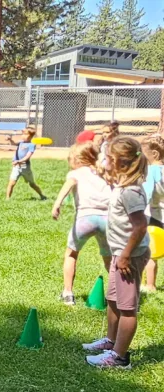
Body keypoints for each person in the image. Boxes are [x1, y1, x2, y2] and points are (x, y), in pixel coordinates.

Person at [84, 137, 149, 369]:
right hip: (120, 254)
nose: (105, 160)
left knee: (127, 308)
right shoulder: (122, 186)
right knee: (112, 300)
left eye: (108, 157)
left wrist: (125, 255)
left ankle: (120, 358)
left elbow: (140, 226)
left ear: (121, 162)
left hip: (128, 256)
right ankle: (111, 342)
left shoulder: (131, 192)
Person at [52, 141, 112, 305]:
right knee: (110, 260)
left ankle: (68, 293)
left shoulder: (76, 173)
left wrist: (57, 204)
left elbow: (68, 185)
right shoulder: (103, 172)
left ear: (78, 159)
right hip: (107, 220)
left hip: (85, 219)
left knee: (71, 254)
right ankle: (121, 294)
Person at [141, 134, 164, 292]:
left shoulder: (151, 171)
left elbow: (147, 194)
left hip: (154, 216)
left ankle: (150, 285)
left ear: (154, 154)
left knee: (151, 252)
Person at [6, 127, 47, 200]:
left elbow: (28, 156)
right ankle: (7, 199)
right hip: (16, 167)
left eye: (25, 134)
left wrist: (19, 161)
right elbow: (14, 143)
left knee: (32, 184)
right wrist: (10, 139)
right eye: (23, 134)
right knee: (11, 183)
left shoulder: (32, 145)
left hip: (25, 168)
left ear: (31, 136)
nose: (23, 136)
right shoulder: (21, 142)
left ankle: (42, 195)